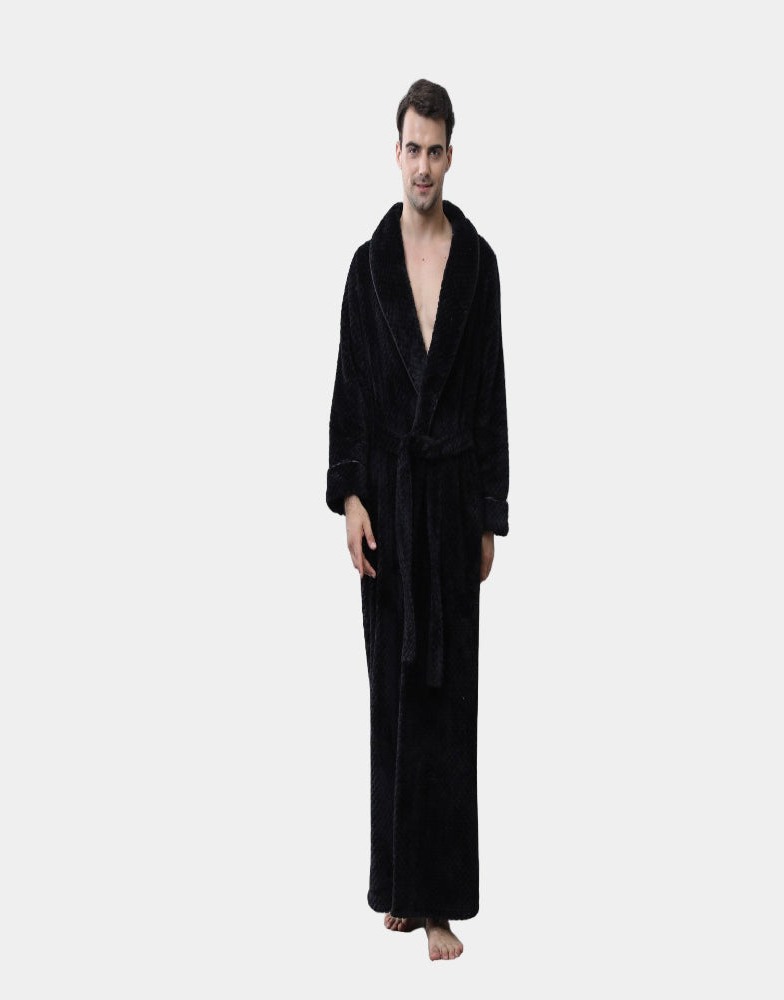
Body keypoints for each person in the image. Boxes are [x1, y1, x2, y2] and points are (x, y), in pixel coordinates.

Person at [325, 79, 510, 962]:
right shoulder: (368, 267)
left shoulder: (478, 264)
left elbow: (492, 389)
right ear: (395, 152)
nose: (424, 165)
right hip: (392, 512)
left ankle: (439, 906)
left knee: (448, 705)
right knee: (392, 701)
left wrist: (489, 514)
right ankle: (401, 885)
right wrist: (351, 498)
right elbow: (351, 385)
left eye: (437, 150)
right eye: (413, 149)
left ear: (451, 154)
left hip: (450, 502)